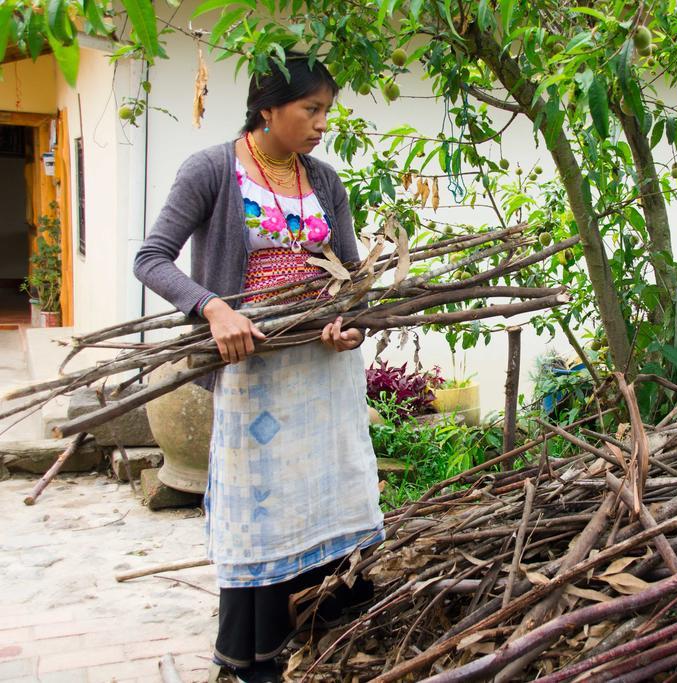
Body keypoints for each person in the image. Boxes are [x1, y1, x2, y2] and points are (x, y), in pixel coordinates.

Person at [134, 54, 384, 683]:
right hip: (255, 374)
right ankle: (253, 658)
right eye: (312, 109)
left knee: (323, 501)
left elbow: (354, 284)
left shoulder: (324, 182)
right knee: (261, 515)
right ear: (267, 108)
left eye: (327, 109)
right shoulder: (213, 171)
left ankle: (323, 634)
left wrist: (351, 325)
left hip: (323, 378)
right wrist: (213, 308)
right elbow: (152, 258)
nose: (323, 123)